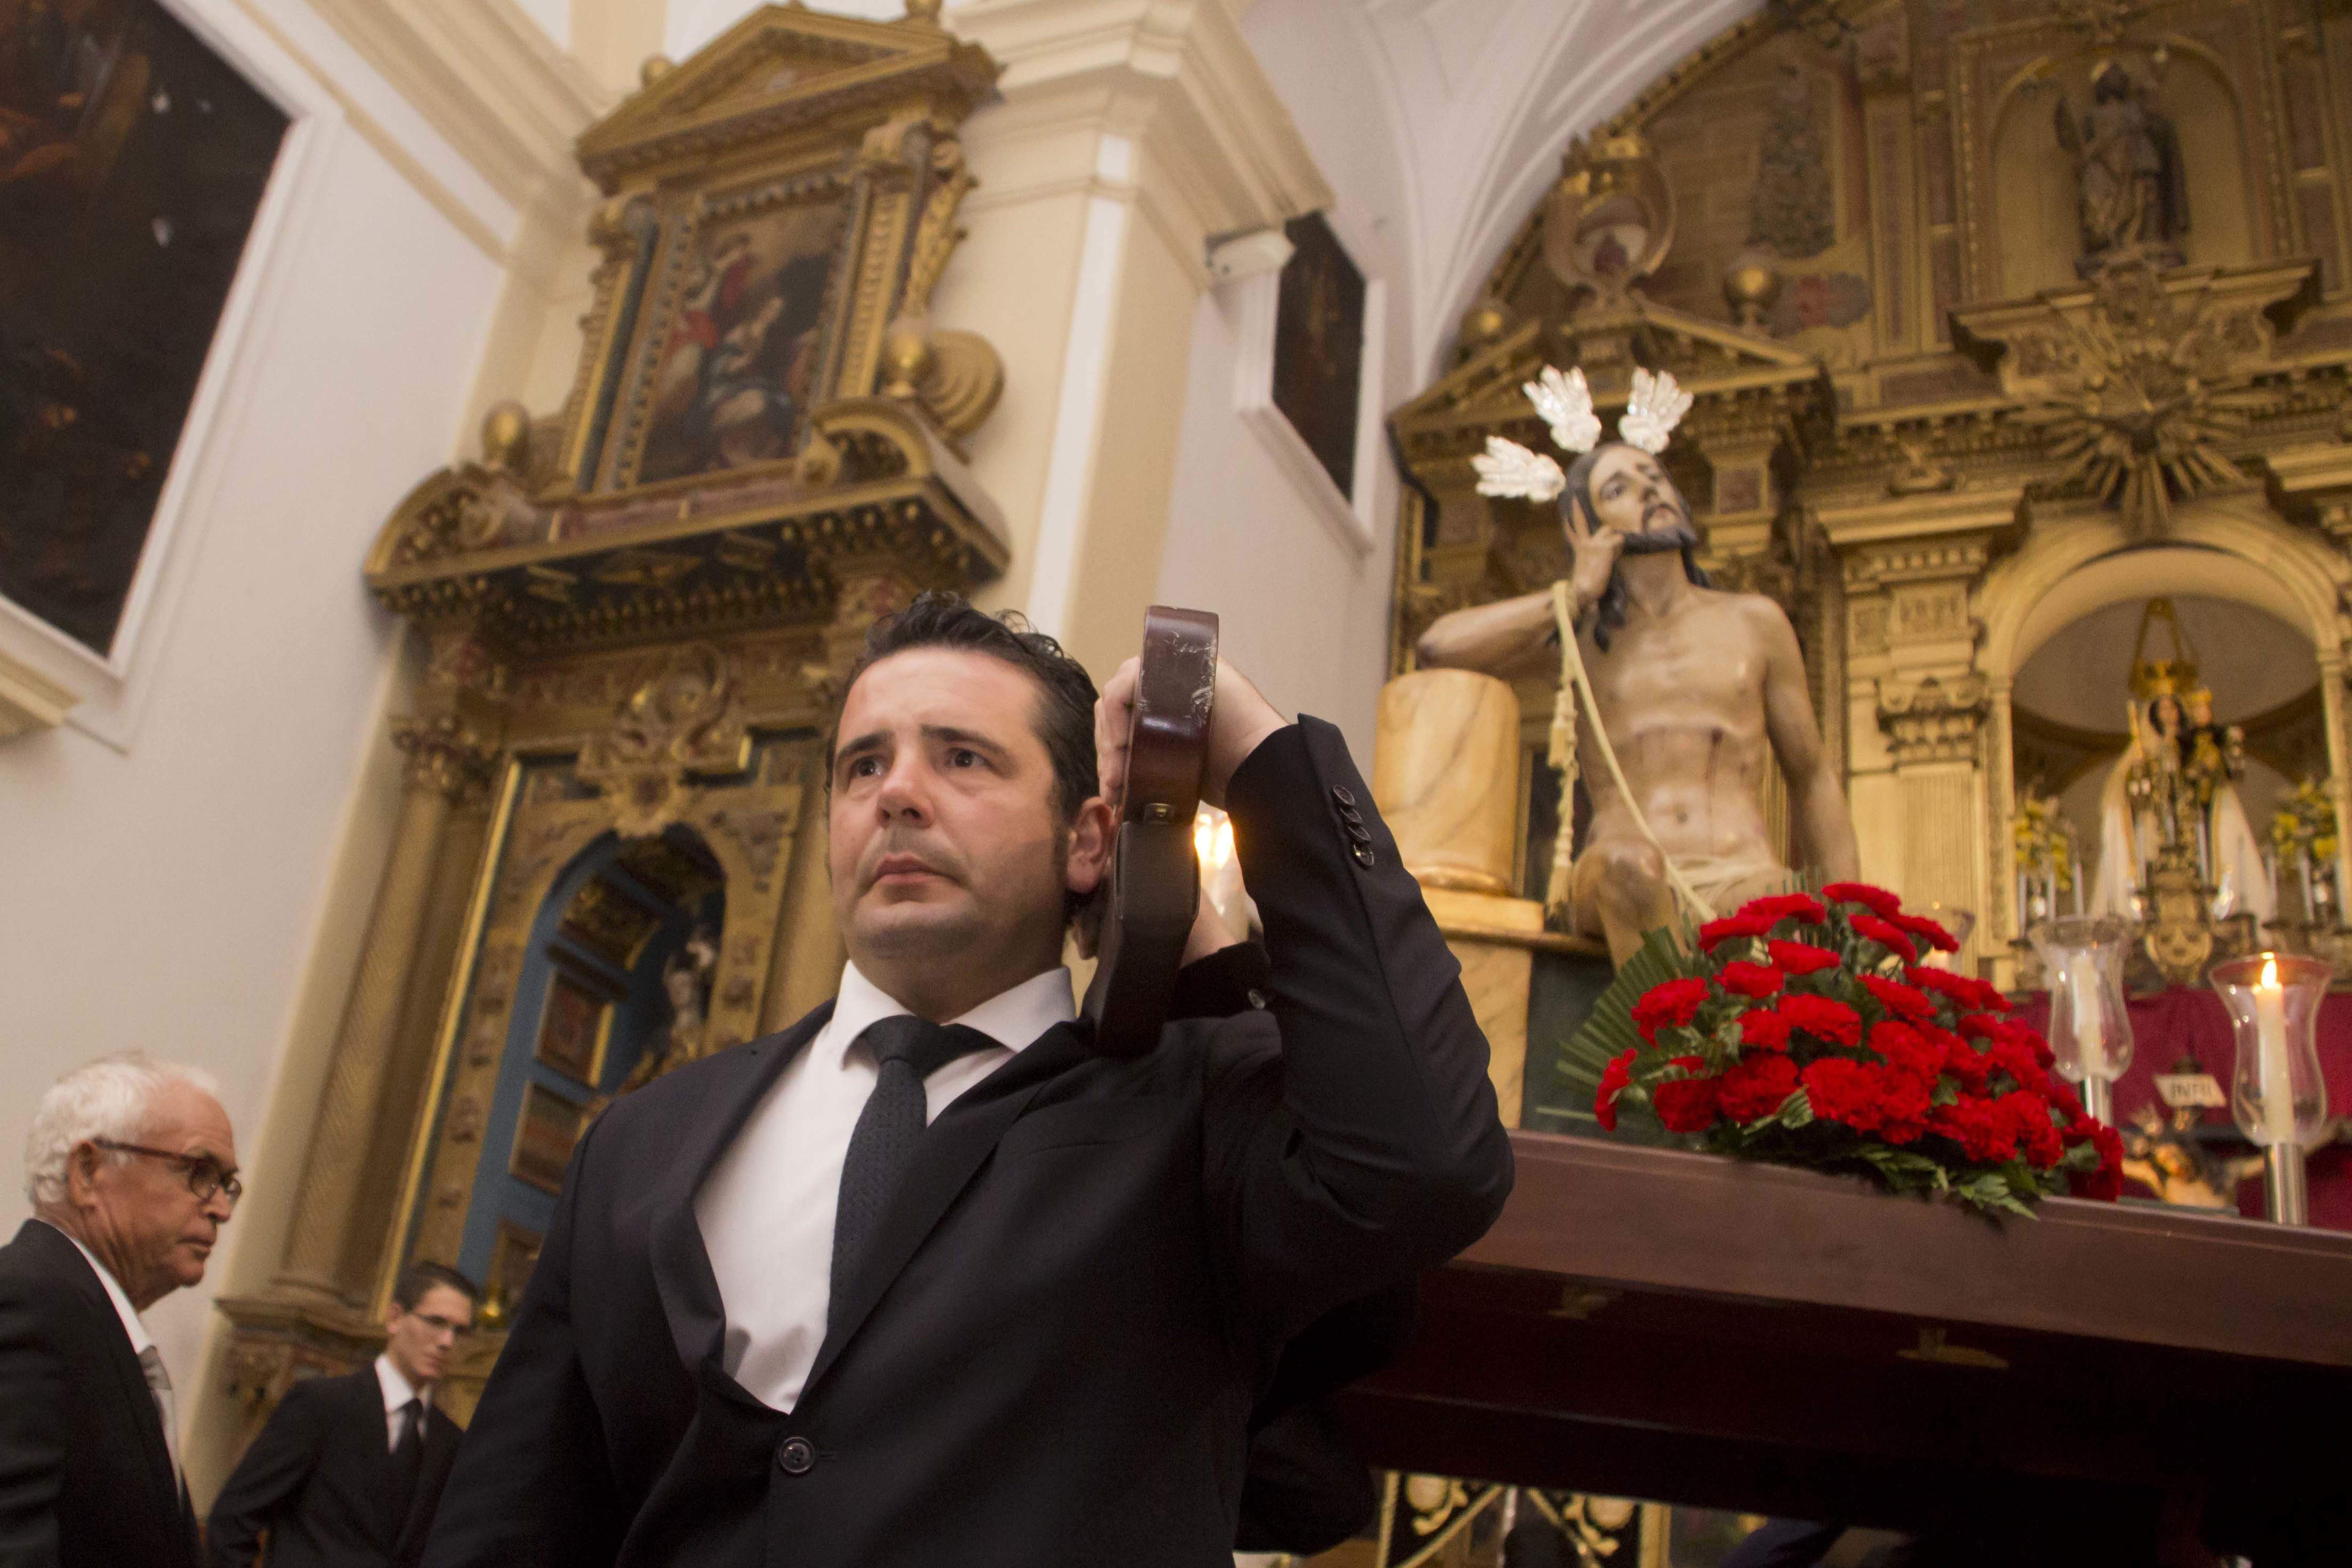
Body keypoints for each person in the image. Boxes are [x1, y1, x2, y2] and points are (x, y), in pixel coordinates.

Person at [422, 593, 1512, 1567]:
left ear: (1089, 841)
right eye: (863, 766)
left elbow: (1426, 1166)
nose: (896, 794)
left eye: (962, 759)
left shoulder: (1191, 1113)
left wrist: (1251, 754)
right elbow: (513, 1517)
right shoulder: (643, 1140)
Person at [1417, 440, 1859, 962]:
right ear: (1585, 526)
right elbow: (1438, 647)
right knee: (1631, 869)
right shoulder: (1576, 633)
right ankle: (1678, 1038)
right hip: (1619, 875)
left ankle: (1695, 1031)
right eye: (1619, 488)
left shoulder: (1755, 623)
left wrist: (1854, 931)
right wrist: (1575, 594)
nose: (1650, 488)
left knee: (1785, 903)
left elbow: (1812, 776)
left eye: (1655, 476)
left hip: (1740, 874)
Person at [0, 1051, 240, 1568]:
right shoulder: (27, 1302)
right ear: (89, 1172)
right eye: (199, 1171)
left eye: (228, 1185)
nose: (221, 1208)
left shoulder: (85, 1317)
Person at [204, 1263, 478, 1568]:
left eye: (461, 1331)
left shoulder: (451, 1441)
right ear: (395, 1319)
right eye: (436, 1322)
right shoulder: (322, 1404)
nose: (447, 1342)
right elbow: (234, 1520)